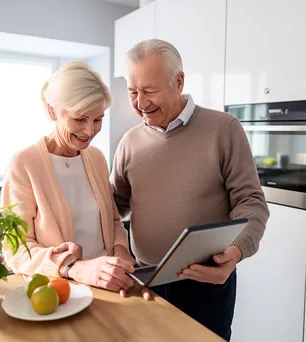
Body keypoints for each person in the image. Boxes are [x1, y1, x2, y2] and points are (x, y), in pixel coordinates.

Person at [110, 39, 270, 341]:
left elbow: (251, 202)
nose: (141, 103)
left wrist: (235, 252)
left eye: (150, 90)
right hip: (146, 279)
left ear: (178, 81)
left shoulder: (224, 128)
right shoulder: (130, 141)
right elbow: (113, 206)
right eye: (133, 92)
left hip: (206, 282)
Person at [1, 61, 135, 295]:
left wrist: (121, 251)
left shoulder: (96, 158)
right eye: (79, 119)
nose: (90, 131)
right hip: (58, 293)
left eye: (98, 119)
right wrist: (74, 267)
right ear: (52, 111)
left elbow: (113, 221)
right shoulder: (24, 164)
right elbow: (16, 250)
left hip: (109, 287)